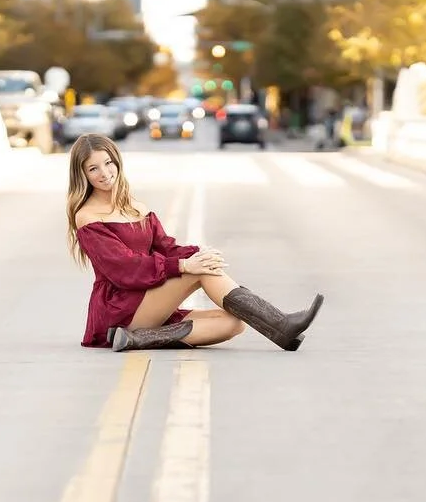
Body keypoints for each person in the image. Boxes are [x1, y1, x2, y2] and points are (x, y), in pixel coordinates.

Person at [66, 134, 323, 352]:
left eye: (108, 163)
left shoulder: (135, 207)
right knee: (195, 272)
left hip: (148, 304)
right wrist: (185, 266)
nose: (105, 173)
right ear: (83, 175)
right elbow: (124, 268)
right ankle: (282, 325)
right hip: (120, 308)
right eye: (93, 168)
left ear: (117, 162)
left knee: (235, 323)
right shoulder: (87, 216)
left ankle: (139, 339)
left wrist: (199, 254)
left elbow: (166, 247)